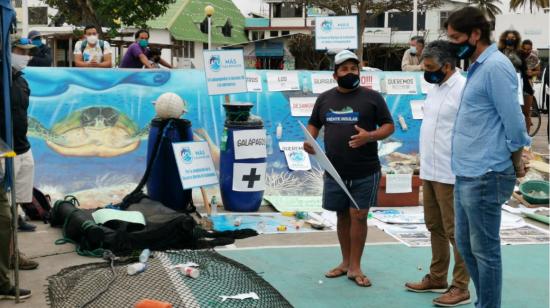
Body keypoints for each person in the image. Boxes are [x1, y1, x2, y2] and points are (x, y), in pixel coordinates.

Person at [445, 7, 530, 308]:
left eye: (456, 37)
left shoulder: (495, 67)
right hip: (468, 171)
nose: (452, 43)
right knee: (467, 246)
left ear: (475, 34)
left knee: (485, 250)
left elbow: (515, 124)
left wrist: (516, 160)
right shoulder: (477, 67)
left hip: (486, 172)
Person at [303, 50, 394, 287]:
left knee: (359, 215)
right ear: (335, 75)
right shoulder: (324, 99)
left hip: (365, 170)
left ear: (360, 73)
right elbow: (314, 124)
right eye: (344, 69)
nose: (349, 73)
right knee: (342, 215)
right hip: (334, 170)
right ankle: (344, 263)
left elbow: (388, 126)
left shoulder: (373, 97)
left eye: (354, 69)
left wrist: (370, 136)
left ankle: (355, 266)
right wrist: (309, 141)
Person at [404, 41, 471, 307]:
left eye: (430, 67)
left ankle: (460, 286)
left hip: (451, 171)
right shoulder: (436, 87)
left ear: (446, 65)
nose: (426, 72)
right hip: (430, 169)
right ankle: (437, 277)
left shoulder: (463, 89)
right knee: (434, 226)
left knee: (456, 232)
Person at [0, 36, 43, 300]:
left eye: (28, 52)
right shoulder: (2, 78)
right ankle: (7, 257)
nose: (25, 55)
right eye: (19, 50)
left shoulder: (22, 81)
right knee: (4, 210)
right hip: (5, 151)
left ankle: (14, 253)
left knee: (17, 206)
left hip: (24, 148)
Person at [498, 30, 534, 133]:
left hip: (522, 85)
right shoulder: (499, 52)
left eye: (513, 38)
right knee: (508, 113)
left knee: (526, 113)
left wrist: (530, 72)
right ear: (504, 39)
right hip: (505, 85)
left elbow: (532, 62)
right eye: (508, 38)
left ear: (517, 39)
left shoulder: (520, 52)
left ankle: (527, 140)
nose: (511, 40)